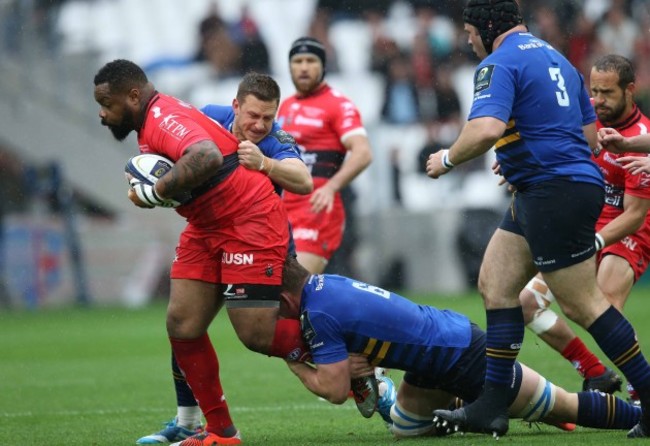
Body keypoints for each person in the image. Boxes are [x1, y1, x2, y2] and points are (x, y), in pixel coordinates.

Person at [425, 0, 650, 439]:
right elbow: (587, 136)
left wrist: (447, 159)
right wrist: (526, 153)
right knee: (496, 282)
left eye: (471, 32)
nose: (469, 41)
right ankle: (492, 406)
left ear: (488, 27)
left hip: (551, 190)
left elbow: (486, 129)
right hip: (547, 186)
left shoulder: (497, 62)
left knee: (584, 304)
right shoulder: (557, 58)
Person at [93, 60, 312, 446]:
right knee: (182, 323)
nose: (102, 114)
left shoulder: (161, 117)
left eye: (106, 104)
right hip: (207, 224)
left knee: (257, 333)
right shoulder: (184, 116)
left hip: (248, 219)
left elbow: (207, 156)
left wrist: (158, 191)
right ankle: (219, 433)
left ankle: (353, 355)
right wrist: (155, 190)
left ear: (132, 97)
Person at [279, 256, 642, 438]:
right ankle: (479, 406)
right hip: (431, 358)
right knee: (404, 430)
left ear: (283, 295)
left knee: (562, 404)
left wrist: (291, 357)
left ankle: (643, 417)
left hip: (458, 353)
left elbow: (335, 390)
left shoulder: (317, 312)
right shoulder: (326, 283)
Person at [519, 54, 650, 399]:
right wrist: (517, 166)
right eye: (593, 91)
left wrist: (594, 242)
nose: (598, 101)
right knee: (526, 304)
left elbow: (635, 215)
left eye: (607, 93)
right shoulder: (585, 121)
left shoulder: (641, 136)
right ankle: (594, 371)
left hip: (630, 231)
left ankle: (642, 392)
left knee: (603, 307)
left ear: (630, 90)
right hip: (587, 224)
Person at [276, 37, 373, 275]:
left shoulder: (338, 105)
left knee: (295, 290)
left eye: (311, 60)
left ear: (323, 66)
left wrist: (331, 187)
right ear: (290, 67)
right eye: (298, 61)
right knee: (272, 295)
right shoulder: (284, 106)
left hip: (316, 209)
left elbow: (363, 153)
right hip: (282, 207)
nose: (304, 67)